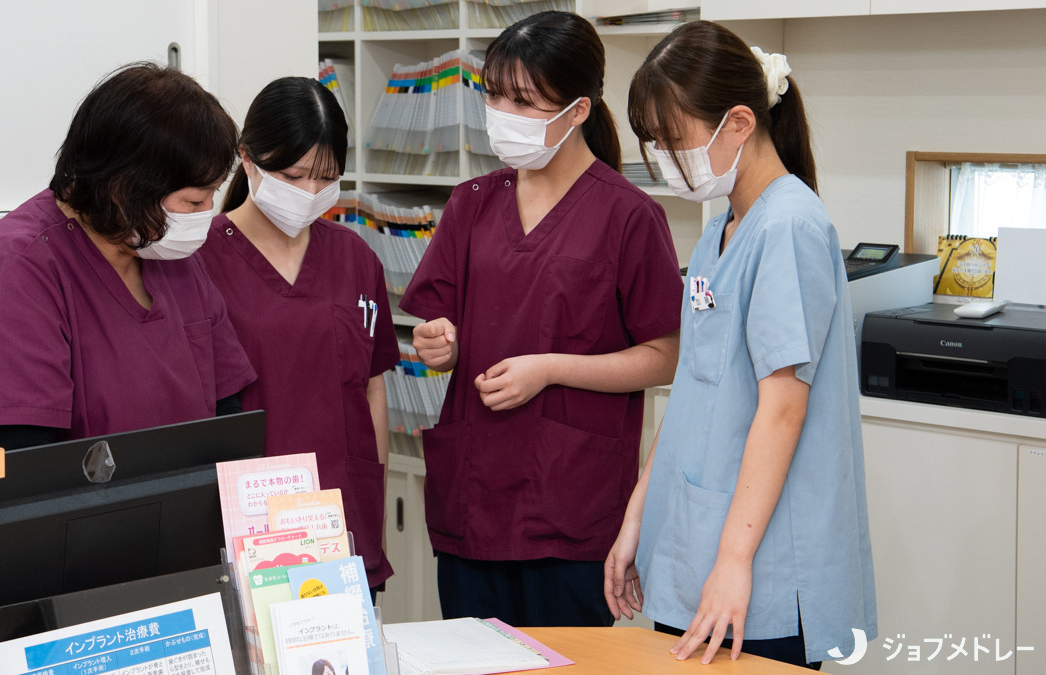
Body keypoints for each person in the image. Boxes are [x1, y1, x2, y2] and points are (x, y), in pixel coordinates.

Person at [602, 20, 877, 669]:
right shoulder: (722, 229)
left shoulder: (788, 225)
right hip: (696, 544)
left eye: (673, 140)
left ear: (739, 123)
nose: (665, 160)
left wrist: (732, 561)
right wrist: (641, 513)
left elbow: (783, 406)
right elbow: (697, 390)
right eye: (654, 144)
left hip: (761, 567)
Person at [399, 10, 683, 628]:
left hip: (569, 506)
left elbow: (666, 355)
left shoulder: (629, 216)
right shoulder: (472, 203)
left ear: (577, 110)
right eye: (494, 94)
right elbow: (437, 325)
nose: (501, 111)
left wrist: (551, 369)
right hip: (474, 498)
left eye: (523, 100)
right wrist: (437, 341)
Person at [0, 63, 256, 449]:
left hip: (170, 501)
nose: (208, 212)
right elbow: (20, 457)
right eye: (195, 200)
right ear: (122, 186)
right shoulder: (14, 270)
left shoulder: (164, 250)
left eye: (214, 194)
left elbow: (226, 406)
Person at [198, 77, 397, 593]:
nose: (310, 193)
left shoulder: (355, 258)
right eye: (293, 175)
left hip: (342, 523)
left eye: (325, 177)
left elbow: (372, 386)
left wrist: (370, 500)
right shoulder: (199, 261)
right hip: (249, 529)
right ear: (247, 158)